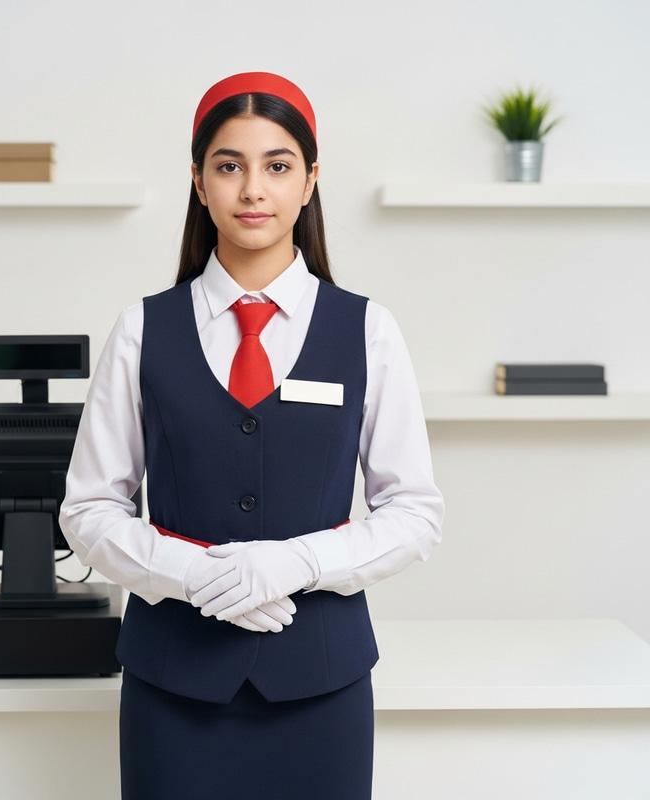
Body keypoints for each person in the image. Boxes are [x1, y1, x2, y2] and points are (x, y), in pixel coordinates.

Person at [59, 71, 444, 800]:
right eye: (228, 166)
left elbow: (415, 511)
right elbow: (87, 510)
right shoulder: (143, 328)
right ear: (200, 185)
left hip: (320, 691)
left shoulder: (367, 329)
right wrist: (191, 575)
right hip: (173, 689)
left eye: (277, 166)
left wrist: (298, 561)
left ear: (310, 182)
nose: (252, 189)